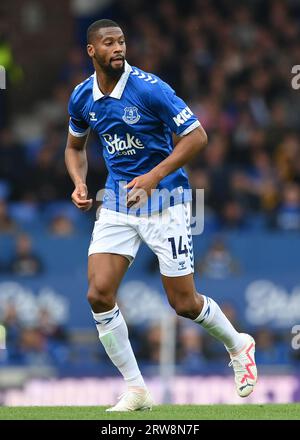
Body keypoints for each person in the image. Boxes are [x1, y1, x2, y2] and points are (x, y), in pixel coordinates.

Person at [65, 19, 257, 411]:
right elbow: (74, 147)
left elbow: (197, 136)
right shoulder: (82, 97)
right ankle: (136, 389)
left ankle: (239, 344)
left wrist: (153, 175)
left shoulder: (151, 89)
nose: (118, 48)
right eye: (108, 43)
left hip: (166, 200)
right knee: (98, 293)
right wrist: (79, 182)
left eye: (121, 41)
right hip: (118, 201)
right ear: (92, 52)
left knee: (183, 303)